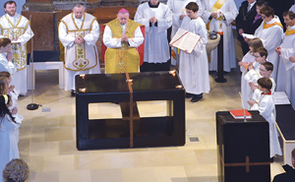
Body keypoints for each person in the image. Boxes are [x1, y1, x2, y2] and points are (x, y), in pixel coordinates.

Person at [58, 3, 101, 96]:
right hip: (72, 48)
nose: (78, 14)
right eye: (76, 12)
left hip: (87, 48)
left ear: (84, 10)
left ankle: (90, 87)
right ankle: (74, 89)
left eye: (80, 12)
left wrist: (85, 39)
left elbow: (95, 33)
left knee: (89, 68)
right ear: (73, 11)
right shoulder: (65, 21)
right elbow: (62, 35)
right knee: (74, 69)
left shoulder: (91, 20)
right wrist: (73, 40)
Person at [176, 2, 209, 103]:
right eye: (187, 12)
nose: (187, 14)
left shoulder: (200, 23)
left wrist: (192, 47)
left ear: (196, 12)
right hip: (186, 51)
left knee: (196, 72)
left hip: (196, 53)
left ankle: (198, 93)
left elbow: (204, 39)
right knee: (187, 71)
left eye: (190, 12)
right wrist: (177, 42)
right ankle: (189, 90)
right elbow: (182, 32)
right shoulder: (186, 19)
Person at [0, 1, 34, 96]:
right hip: (7, 50)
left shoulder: (23, 20)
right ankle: (8, 92)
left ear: (15, 7)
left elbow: (29, 33)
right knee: (9, 71)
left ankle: (20, 91)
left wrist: (20, 39)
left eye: (13, 7)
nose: (12, 9)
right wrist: (7, 39)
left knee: (20, 71)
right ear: (5, 9)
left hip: (20, 49)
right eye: (9, 7)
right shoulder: (1, 21)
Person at [248, 77, 282, 161]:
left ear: (264, 88)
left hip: (266, 120)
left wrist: (254, 105)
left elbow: (262, 112)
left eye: (259, 86)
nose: (258, 87)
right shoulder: (265, 94)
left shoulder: (268, 99)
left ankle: (269, 156)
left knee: (268, 138)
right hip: (266, 119)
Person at [134, 0, 172, 72]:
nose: (154, 1)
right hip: (147, 37)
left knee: (161, 57)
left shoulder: (165, 8)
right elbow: (137, 21)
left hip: (160, 37)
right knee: (147, 57)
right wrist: (149, 21)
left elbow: (169, 22)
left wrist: (158, 21)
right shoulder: (142, 7)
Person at [103, 8, 144, 74]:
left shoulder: (135, 25)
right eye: (121, 18)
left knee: (131, 75)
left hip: (130, 54)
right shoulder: (110, 26)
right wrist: (119, 40)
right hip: (114, 54)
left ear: (128, 17)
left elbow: (140, 39)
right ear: (117, 16)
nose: (123, 20)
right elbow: (106, 40)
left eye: (125, 19)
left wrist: (128, 40)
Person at [201, 0, 238, 72]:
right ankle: (211, 67)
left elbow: (234, 12)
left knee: (224, 46)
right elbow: (201, 11)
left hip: (224, 25)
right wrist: (210, 14)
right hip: (210, 24)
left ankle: (224, 67)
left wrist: (224, 15)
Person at [167, 0, 204, 66]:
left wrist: (190, 17)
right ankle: (177, 67)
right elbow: (167, 12)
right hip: (177, 28)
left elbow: (200, 11)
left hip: (192, 29)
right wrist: (178, 17)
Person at [253, 6, 284, 82]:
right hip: (261, 51)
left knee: (267, 73)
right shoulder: (265, 22)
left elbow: (271, 44)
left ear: (270, 16)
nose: (263, 19)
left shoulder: (277, 28)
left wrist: (258, 45)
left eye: (264, 17)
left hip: (270, 54)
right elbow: (257, 32)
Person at [275, 11, 295, 105]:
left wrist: (283, 50)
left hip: (291, 63)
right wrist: (281, 48)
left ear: (294, 19)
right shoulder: (289, 29)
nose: (285, 21)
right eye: (284, 19)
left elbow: (293, 50)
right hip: (284, 60)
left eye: (287, 19)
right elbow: (285, 42)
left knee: (290, 85)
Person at [0, 94, 20, 182]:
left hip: (3, 139)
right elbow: (13, 126)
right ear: (7, 104)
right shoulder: (6, 116)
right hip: (7, 140)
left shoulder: (3, 114)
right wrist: (15, 115)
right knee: (9, 156)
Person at [239, 38, 263, 109]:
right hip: (246, 76)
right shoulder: (250, 53)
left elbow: (256, 68)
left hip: (252, 79)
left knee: (250, 94)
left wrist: (246, 66)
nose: (249, 48)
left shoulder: (259, 55)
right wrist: (243, 65)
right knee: (245, 94)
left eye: (251, 47)